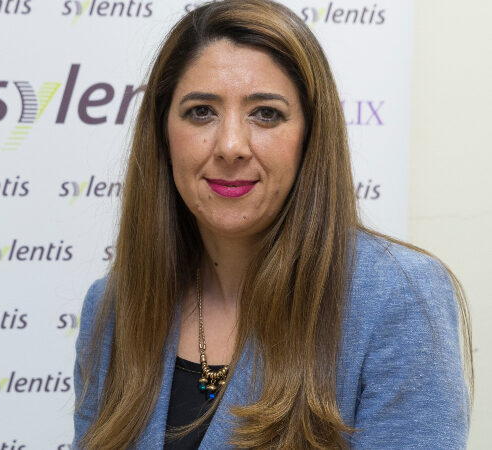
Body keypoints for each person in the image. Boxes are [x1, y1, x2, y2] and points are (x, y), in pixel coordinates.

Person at [73, 0, 473, 448]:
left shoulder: (398, 297)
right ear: (163, 134)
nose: (230, 146)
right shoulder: (113, 307)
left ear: (309, 137)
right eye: (201, 111)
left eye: (266, 113)